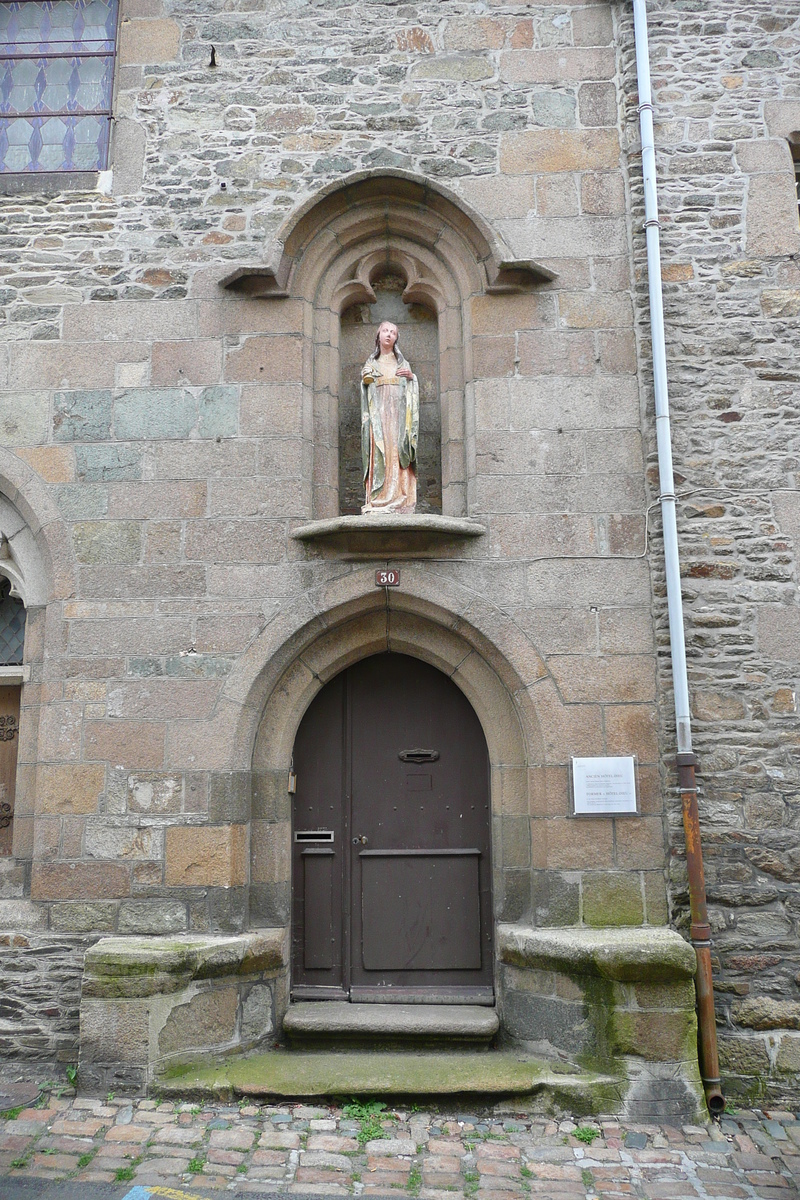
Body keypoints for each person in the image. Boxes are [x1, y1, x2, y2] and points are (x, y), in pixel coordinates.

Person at [360, 320, 419, 514]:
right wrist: (365, 380)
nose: (388, 335)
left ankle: (401, 497)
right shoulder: (371, 363)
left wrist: (411, 378)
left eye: (393, 332)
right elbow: (365, 389)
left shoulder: (402, 363)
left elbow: (411, 387)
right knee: (380, 450)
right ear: (378, 335)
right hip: (379, 414)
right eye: (385, 331)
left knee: (397, 448)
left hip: (399, 415)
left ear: (396, 338)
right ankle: (378, 497)